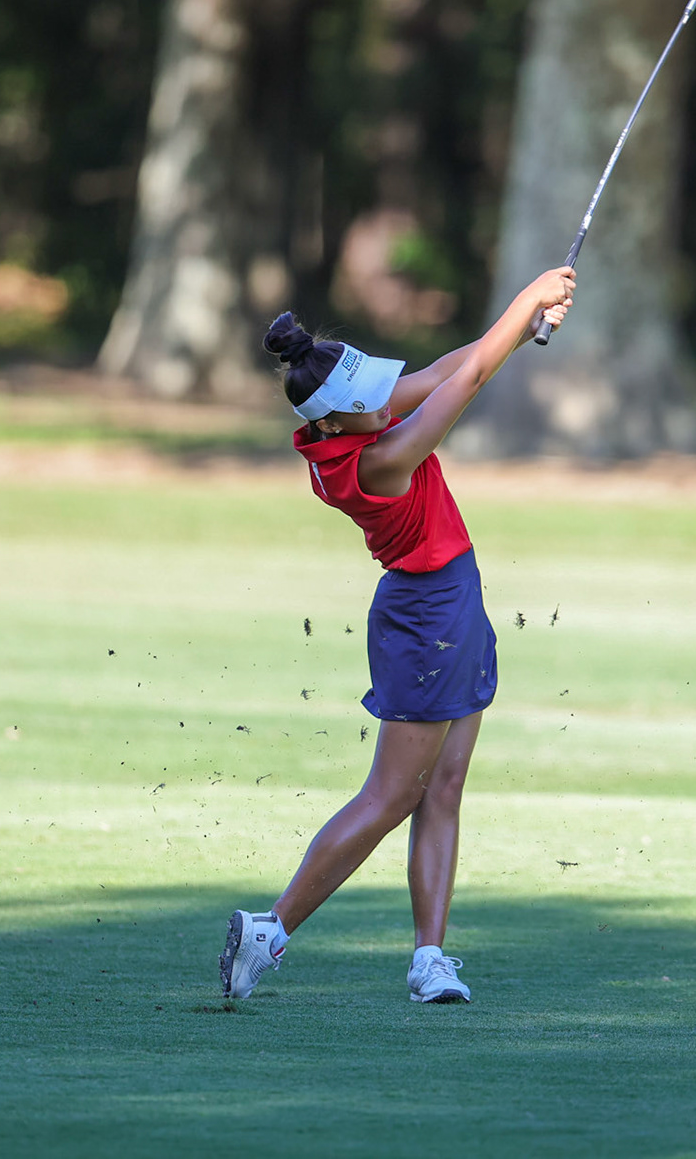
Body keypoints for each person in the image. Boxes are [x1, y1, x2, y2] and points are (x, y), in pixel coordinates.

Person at [219, 267, 575, 1005]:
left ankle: (429, 960)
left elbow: (448, 368)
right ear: (337, 422)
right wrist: (527, 298)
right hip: (427, 619)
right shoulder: (379, 460)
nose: (386, 399)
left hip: (451, 603)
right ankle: (270, 929)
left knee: (443, 788)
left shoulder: (353, 423)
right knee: (391, 796)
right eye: (371, 399)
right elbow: (466, 381)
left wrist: (522, 331)